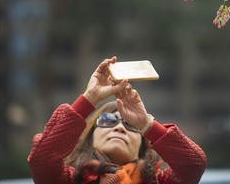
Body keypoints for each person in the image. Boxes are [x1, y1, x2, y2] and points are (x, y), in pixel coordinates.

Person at [28, 56, 207, 184]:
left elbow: (193, 165)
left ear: (143, 148)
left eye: (131, 126)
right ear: (90, 137)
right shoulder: (67, 180)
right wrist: (89, 98)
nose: (120, 128)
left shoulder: (159, 182)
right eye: (107, 120)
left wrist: (146, 123)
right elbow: (43, 158)